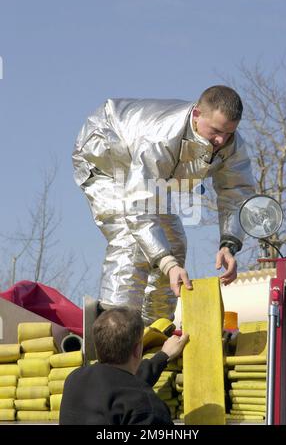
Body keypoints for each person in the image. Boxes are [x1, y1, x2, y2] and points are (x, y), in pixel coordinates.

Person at [72, 85, 256, 325]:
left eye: (229, 133)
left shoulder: (231, 144)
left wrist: (228, 243)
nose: (221, 140)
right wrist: (167, 264)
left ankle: (155, 328)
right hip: (105, 152)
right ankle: (116, 331)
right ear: (197, 114)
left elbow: (236, 191)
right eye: (216, 131)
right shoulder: (161, 136)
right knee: (131, 240)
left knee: (174, 243)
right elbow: (139, 208)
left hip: (147, 174)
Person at [59, 307, 189, 425]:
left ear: (98, 346)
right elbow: (126, 387)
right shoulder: (145, 405)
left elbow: (118, 384)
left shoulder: (74, 380)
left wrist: (163, 356)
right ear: (138, 350)